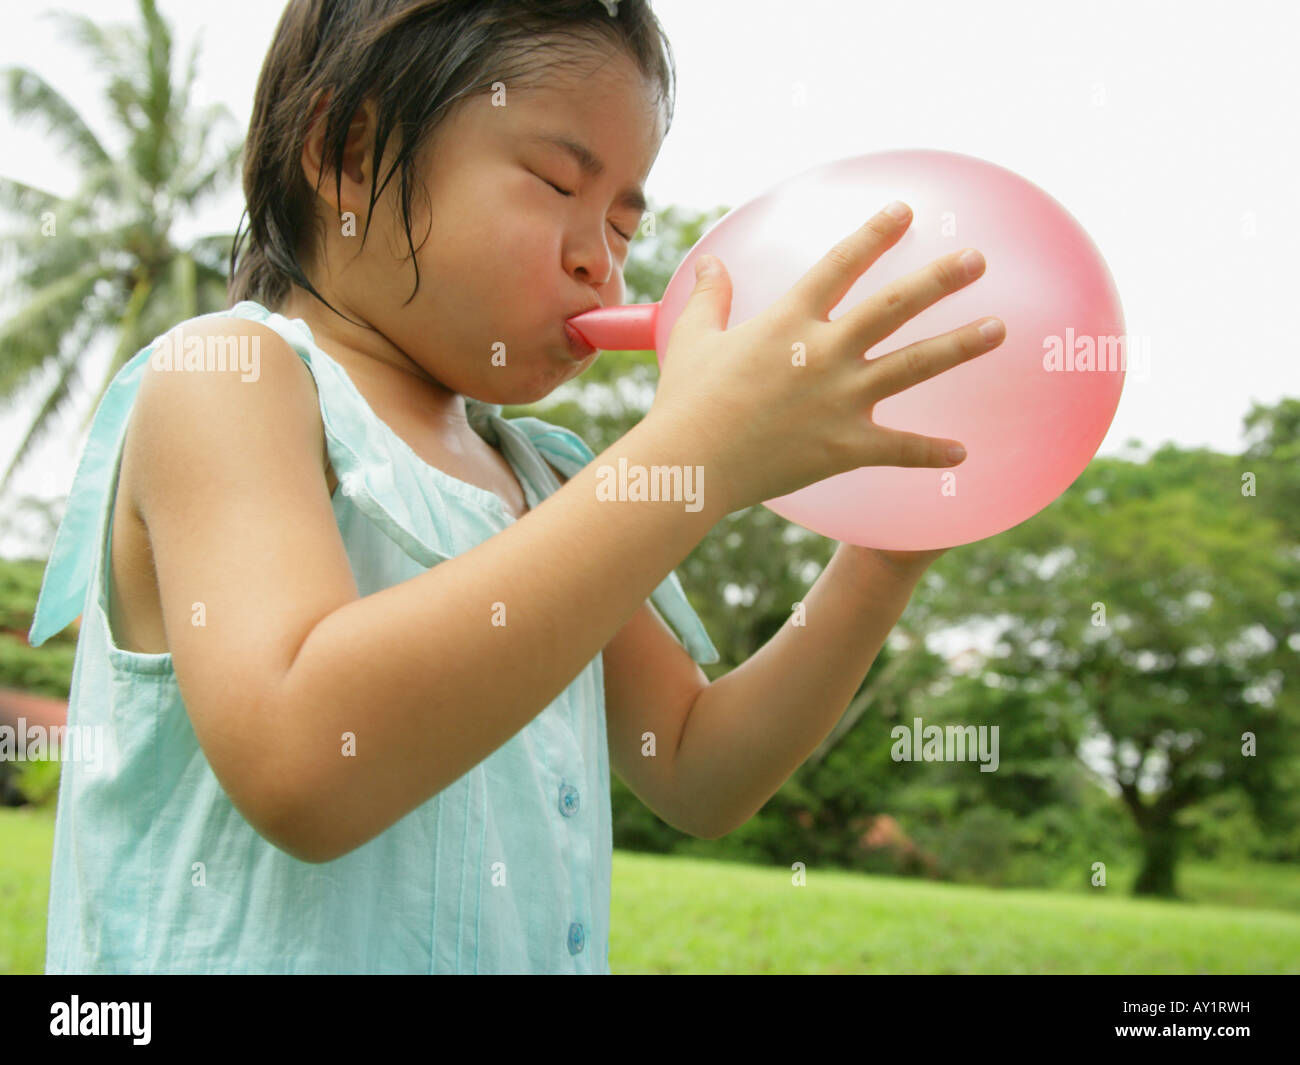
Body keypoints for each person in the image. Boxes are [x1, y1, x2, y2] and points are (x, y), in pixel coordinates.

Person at [29, 0, 1001, 974]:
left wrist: (883, 554)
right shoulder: (229, 381)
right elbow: (306, 765)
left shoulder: (539, 481)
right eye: (554, 184)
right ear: (346, 153)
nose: (600, 264)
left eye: (622, 227)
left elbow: (698, 767)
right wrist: (693, 456)